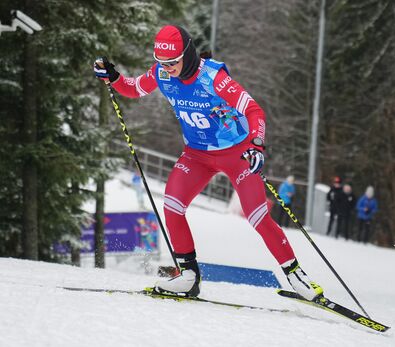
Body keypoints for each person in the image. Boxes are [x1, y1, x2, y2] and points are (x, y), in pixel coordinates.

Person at [93, 25, 323, 301]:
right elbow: (133, 89)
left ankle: (296, 275)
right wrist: (114, 76)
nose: (168, 68)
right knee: (172, 205)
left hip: (236, 153)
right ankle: (188, 276)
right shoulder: (161, 73)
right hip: (197, 155)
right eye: (162, 62)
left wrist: (257, 145)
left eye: (173, 62)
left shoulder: (213, 77)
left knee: (257, 215)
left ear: (187, 54)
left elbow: (253, 110)